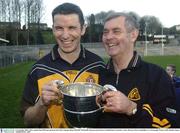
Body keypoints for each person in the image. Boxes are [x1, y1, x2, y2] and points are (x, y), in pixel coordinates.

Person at [20, 3, 105, 128]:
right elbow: (28, 120)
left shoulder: (98, 66)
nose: (65, 35)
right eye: (59, 28)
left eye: (72, 28)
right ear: (53, 29)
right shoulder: (39, 69)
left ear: (83, 29)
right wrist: (41, 103)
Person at [97, 12, 179, 127]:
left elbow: (171, 124)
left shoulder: (156, 76)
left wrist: (132, 109)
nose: (109, 37)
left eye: (116, 31)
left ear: (133, 35)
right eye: (105, 32)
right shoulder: (98, 74)